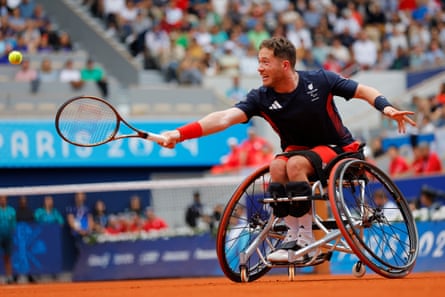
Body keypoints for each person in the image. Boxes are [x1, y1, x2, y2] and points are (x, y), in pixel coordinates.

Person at [159, 36, 416, 263]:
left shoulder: (320, 80)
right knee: (276, 165)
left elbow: (363, 90)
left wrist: (386, 108)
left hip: (338, 150)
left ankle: (304, 238)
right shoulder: (261, 97)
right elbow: (224, 117)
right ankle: (291, 233)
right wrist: (180, 134)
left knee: (293, 164)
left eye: (265, 62)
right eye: (259, 62)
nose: (259, 68)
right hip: (298, 153)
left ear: (285, 64)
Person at [0, 195, 16, 284]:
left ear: (6, 200)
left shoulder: (11, 211)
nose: (2, 201)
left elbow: (13, 224)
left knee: (8, 257)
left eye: (4, 199)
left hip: (8, 237)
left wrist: (10, 233)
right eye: (1, 199)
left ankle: (9, 277)